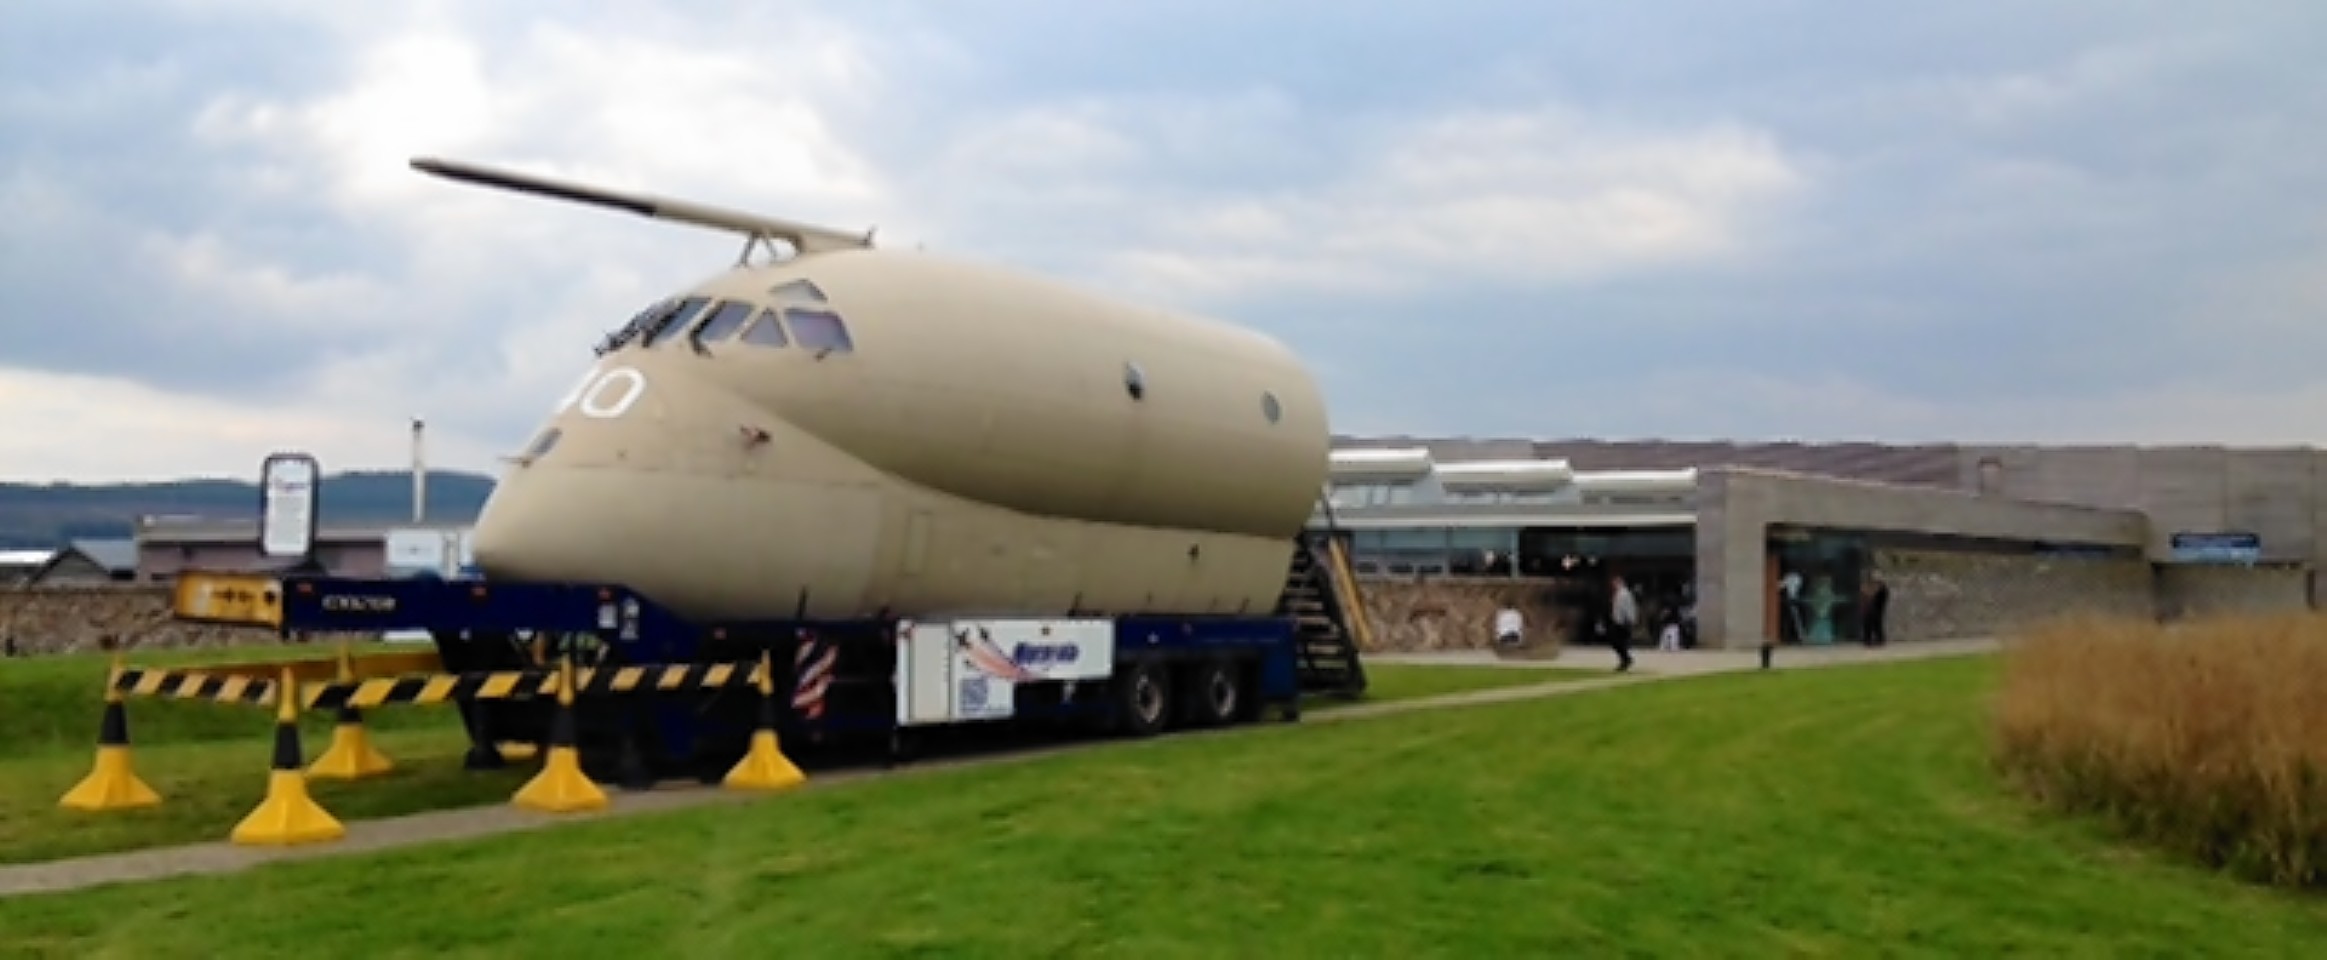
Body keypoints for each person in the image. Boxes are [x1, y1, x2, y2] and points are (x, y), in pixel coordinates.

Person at [1608, 574, 1637, 672]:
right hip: (1617, 621)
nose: (1613, 585)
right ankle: (1625, 659)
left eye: (1615, 583)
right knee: (1617, 642)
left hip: (1622, 622)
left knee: (1618, 642)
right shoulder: (1618, 594)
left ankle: (1626, 659)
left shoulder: (1624, 594)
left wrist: (1629, 620)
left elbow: (1628, 608)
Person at [1862, 576, 1891, 647]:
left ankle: (1874, 640)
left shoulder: (1881, 592)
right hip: (1874, 610)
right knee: (1875, 625)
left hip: (1875, 611)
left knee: (1874, 625)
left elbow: (1872, 597)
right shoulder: (1881, 591)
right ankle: (1874, 639)